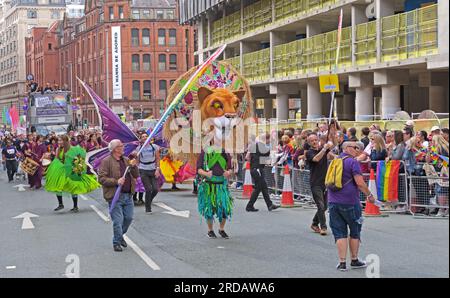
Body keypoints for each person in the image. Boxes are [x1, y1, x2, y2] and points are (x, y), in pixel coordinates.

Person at [328, 141, 376, 271]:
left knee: (339, 232)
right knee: (354, 230)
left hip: (333, 200)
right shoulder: (352, 162)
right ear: (347, 148)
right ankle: (354, 259)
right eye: (355, 148)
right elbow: (359, 183)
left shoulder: (335, 160)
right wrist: (370, 195)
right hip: (349, 201)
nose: (358, 150)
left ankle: (342, 262)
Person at [98, 139, 139, 252]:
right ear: (116, 149)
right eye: (121, 145)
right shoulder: (106, 161)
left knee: (129, 218)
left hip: (128, 195)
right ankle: (116, 242)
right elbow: (101, 178)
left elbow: (135, 175)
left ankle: (120, 236)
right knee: (118, 221)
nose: (123, 147)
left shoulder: (126, 160)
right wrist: (116, 181)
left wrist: (134, 166)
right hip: (115, 196)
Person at [45, 135, 100, 212]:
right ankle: (60, 204)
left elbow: (78, 158)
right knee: (58, 185)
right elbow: (57, 159)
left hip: (70, 170)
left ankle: (75, 206)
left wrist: (76, 167)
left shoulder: (72, 149)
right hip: (60, 170)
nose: (59, 142)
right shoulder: (58, 149)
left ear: (66, 141)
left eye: (61, 140)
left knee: (73, 186)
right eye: (59, 140)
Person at [197, 144, 234, 239]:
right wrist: (206, 173)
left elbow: (230, 168)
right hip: (209, 186)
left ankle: (221, 229)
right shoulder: (205, 152)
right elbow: (198, 169)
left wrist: (228, 172)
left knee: (225, 209)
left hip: (221, 185)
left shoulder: (224, 152)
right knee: (209, 209)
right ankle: (210, 230)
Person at [306, 133, 335, 236]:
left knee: (325, 206)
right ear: (309, 143)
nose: (314, 142)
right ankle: (323, 227)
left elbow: (333, 155)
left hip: (325, 182)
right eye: (312, 140)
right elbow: (316, 159)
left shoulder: (323, 149)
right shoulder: (309, 153)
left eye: (315, 139)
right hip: (315, 183)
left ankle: (314, 223)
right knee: (321, 205)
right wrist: (324, 149)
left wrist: (330, 145)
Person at [245, 133, 280, 212]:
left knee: (264, 188)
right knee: (258, 188)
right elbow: (267, 161)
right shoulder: (265, 148)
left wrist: (253, 163)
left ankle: (269, 204)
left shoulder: (253, 146)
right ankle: (249, 206)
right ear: (266, 139)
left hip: (254, 169)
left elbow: (247, 157)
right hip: (258, 169)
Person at [136, 133, 160, 213]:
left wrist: (157, 169)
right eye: (143, 137)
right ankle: (148, 208)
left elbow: (157, 159)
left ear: (149, 138)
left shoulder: (154, 147)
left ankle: (148, 200)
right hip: (143, 169)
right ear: (141, 139)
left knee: (155, 189)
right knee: (148, 189)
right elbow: (137, 161)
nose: (145, 138)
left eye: (146, 136)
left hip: (153, 169)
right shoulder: (139, 148)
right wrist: (136, 171)